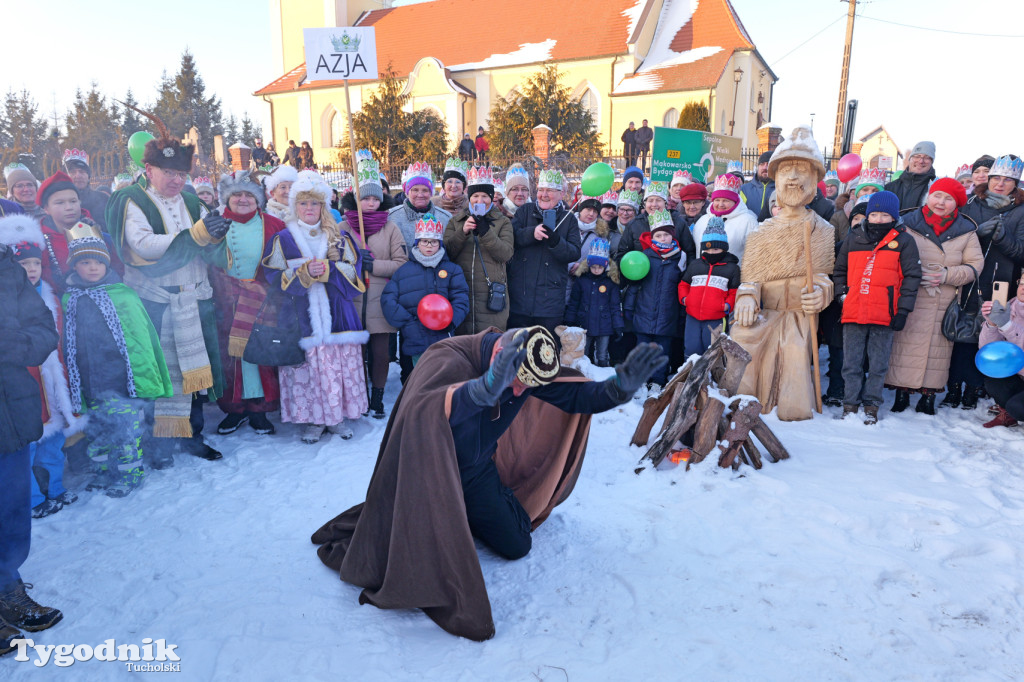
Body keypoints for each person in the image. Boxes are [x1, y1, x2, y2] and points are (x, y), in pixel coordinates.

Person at [310, 325, 668, 641]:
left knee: (517, 544)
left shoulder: (528, 368)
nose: (517, 391)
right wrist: (481, 390)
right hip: (427, 473)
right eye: (514, 381)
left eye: (525, 386)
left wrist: (619, 388)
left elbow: (576, 396)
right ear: (500, 353)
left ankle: (466, 515)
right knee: (417, 564)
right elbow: (422, 409)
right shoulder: (447, 356)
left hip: (475, 472)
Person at [105, 108, 226, 465]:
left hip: (195, 299)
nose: (176, 180)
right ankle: (158, 445)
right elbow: (142, 247)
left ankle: (193, 436)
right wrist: (199, 235)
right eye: (168, 172)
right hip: (156, 304)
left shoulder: (192, 201)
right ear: (149, 170)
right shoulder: (130, 200)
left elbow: (211, 243)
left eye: (181, 173)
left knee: (195, 376)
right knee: (159, 376)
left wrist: (218, 237)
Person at [731, 125, 836, 421]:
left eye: (801, 171)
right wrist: (748, 297)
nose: (792, 178)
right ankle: (743, 404)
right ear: (775, 178)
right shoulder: (760, 232)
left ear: (815, 179)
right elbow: (750, 277)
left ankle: (791, 412)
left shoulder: (822, 230)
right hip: (766, 310)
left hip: (797, 314)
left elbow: (824, 277)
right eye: (786, 171)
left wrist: (820, 293)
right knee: (742, 337)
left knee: (793, 350)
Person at [61, 227, 172, 497]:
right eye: (85, 262)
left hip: (121, 381)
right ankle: (103, 472)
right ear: (75, 265)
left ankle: (129, 474)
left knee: (124, 432)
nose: (93, 267)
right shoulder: (69, 298)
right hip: (88, 381)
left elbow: (140, 343)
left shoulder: (123, 295)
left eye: (98, 261)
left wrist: (139, 379)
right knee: (97, 431)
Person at [261, 171, 368, 444]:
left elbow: (355, 274)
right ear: (295, 207)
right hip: (301, 317)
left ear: (323, 207)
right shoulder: (283, 239)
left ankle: (336, 417)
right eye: (303, 204)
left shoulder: (338, 237)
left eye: (315, 204)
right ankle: (313, 419)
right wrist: (305, 274)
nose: (309, 209)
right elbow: (273, 277)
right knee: (307, 371)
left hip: (337, 317)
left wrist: (332, 268)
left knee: (335, 368)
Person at [0, 236, 62, 656]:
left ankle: (7, 589)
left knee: (11, 510)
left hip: (10, 409)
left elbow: (44, 330)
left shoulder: (7, 268)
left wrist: (8, 345)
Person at [0, 216, 84, 518]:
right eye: (24, 265)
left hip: (54, 379)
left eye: (35, 263)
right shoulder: (8, 300)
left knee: (56, 437)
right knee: (30, 441)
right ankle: (32, 498)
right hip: (26, 381)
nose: (32, 270)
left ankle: (55, 487)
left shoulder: (49, 294)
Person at [886, 178, 983, 414]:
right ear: (929, 196)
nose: (941, 202)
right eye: (937, 195)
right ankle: (902, 392)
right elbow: (891, 255)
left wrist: (947, 275)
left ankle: (928, 395)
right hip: (911, 294)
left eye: (948, 198)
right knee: (905, 343)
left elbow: (975, 265)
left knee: (938, 349)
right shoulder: (907, 221)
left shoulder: (966, 230)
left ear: (957, 203)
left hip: (945, 298)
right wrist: (913, 273)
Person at [204, 171, 286, 436]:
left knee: (260, 355)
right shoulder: (213, 223)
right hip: (227, 303)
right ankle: (234, 409)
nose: (242, 199)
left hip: (264, 303)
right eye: (236, 194)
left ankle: (259, 410)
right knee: (231, 357)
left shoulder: (274, 224)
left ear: (259, 199)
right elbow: (205, 261)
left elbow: (283, 262)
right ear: (226, 198)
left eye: (248, 195)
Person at [833, 191, 922, 424]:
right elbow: (840, 271)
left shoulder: (904, 241)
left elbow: (911, 277)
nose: (879, 219)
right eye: (874, 214)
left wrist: (903, 310)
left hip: (885, 313)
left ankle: (871, 404)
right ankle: (850, 404)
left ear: (893, 217)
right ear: (867, 216)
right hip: (854, 311)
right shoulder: (854, 238)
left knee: (878, 364)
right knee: (851, 363)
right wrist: (842, 295)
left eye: (884, 215)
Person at [944, 155, 1024, 409]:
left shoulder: (1021, 210)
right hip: (971, 278)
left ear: (1016, 183)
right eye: (996, 178)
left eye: (1008, 180)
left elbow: (1021, 252)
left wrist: (1003, 238)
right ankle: (955, 387)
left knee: (992, 333)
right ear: (988, 179)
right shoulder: (971, 204)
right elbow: (954, 238)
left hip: (1002, 284)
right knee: (963, 334)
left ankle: (977, 387)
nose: (1000, 184)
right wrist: (974, 235)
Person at [343, 157, 404, 418]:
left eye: (375, 199)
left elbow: (401, 263)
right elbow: (333, 259)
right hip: (352, 300)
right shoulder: (343, 227)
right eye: (365, 199)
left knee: (380, 353)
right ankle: (358, 396)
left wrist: (375, 265)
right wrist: (355, 264)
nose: (371, 203)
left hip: (380, 300)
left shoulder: (390, 228)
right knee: (356, 354)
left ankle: (377, 397)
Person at [382, 213, 469, 364]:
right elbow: (388, 299)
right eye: (424, 241)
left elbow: (461, 298)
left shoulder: (452, 270)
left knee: (443, 379)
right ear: (417, 243)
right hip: (416, 339)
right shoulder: (403, 271)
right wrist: (408, 323)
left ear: (440, 244)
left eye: (434, 242)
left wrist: (451, 321)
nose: (429, 246)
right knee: (421, 381)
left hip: (444, 339)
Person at [507, 169, 582, 334]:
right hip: (520, 299)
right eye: (541, 190)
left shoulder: (569, 219)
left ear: (561, 194)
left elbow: (574, 252)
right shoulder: (524, 211)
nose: (543, 194)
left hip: (550, 303)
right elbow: (510, 239)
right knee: (517, 350)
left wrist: (556, 241)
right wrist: (531, 233)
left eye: (550, 190)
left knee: (546, 352)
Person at [444, 166, 514, 335]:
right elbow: (447, 252)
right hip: (462, 291)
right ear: (469, 198)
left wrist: (485, 232)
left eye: (485, 196)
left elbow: (506, 253)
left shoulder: (503, 222)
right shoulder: (456, 221)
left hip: (491, 295)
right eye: (475, 196)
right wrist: (463, 232)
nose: (480, 200)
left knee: (490, 346)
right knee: (464, 348)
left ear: (491, 198)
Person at [35, 171, 122, 294]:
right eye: (60, 203)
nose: (69, 207)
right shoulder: (38, 242)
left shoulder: (98, 235)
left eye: (73, 201)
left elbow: (117, 270)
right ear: (46, 208)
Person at [623, 211, 683, 386]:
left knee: (661, 352)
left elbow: (681, 287)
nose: (663, 238)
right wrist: (629, 308)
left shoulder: (680, 258)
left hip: (667, 316)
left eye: (666, 235)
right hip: (643, 312)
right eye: (658, 235)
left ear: (672, 236)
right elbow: (635, 285)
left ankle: (657, 381)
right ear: (652, 236)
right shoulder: (645, 256)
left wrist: (680, 314)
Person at [678, 217, 740, 359]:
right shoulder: (695, 265)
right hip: (692, 316)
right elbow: (684, 284)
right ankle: (690, 375)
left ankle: (712, 378)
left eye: (716, 249)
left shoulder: (732, 268)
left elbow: (734, 292)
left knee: (712, 350)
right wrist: (685, 299)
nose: (711, 252)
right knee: (691, 348)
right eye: (707, 249)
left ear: (724, 248)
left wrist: (727, 305)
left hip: (715, 318)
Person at [565, 238, 623, 366]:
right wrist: (569, 320)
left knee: (602, 354)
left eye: (600, 267)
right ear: (589, 265)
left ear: (605, 266)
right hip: (584, 323)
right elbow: (574, 302)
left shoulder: (610, 283)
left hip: (605, 325)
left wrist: (618, 325)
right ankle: (585, 375)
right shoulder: (581, 280)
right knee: (584, 353)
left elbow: (615, 306)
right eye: (594, 267)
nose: (597, 270)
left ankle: (602, 376)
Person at [978, 278, 1024, 427]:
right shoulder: (1008, 307)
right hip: (1018, 374)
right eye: (1022, 283)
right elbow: (987, 352)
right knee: (993, 376)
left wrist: (1007, 326)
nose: (1023, 288)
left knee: (1018, 407)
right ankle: (1007, 412)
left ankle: (1013, 409)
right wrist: (991, 324)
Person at [615, 181, 696, 264]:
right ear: (645, 204)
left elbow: (689, 253)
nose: (654, 204)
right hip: (641, 274)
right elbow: (622, 253)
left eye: (658, 200)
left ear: (665, 203)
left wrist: (685, 276)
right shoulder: (634, 224)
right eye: (650, 200)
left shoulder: (678, 222)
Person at [691, 173, 757, 264]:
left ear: (735, 201)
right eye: (717, 200)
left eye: (726, 200)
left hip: (734, 275)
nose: (720, 204)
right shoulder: (702, 220)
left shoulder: (748, 221)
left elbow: (754, 255)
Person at [831, 168, 885, 246]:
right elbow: (831, 245)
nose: (869, 193)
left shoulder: (886, 217)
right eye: (865, 190)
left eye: (875, 191)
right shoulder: (838, 216)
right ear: (857, 193)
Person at [62, 149, 109, 229]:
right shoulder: (58, 201)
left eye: (82, 172)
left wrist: (96, 227)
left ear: (88, 177)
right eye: (73, 172)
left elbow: (113, 228)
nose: (78, 176)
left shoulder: (103, 199)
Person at [885, 141, 936, 211]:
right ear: (910, 159)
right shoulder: (890, 188)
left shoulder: (935, 189)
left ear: (931, 162)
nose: (921, 161)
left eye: (927, 157)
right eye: (917, 156)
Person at [740, 151, 773, 216]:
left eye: (769, 164)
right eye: (762, 164)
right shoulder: (744, 190)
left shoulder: (781, 189)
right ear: (758, 166)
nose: (765, 167)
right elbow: (738, 212)